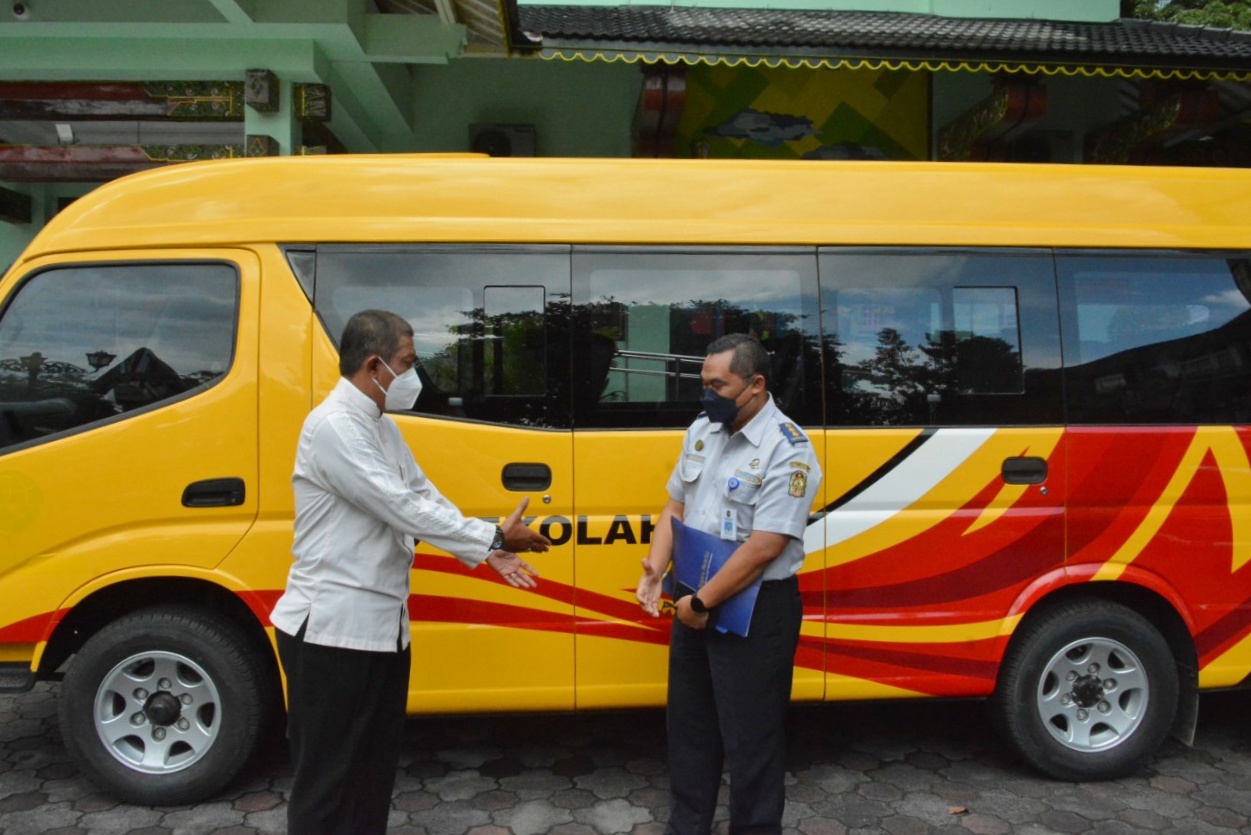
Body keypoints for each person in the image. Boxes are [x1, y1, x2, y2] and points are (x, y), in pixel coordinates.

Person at [270, 309, 550, 835]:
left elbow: (423, 496)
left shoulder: (383, 428)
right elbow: (395, 503)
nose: (414, 376)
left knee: (371, 775)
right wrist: (491, 537)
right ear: (375, 366)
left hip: (382, 629)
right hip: (332, 634)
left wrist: (487, 545)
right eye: (408, 363)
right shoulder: (332, 427)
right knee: (328, 782)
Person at [636, 333, 822, 835]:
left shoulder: (789, 450)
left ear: (756, 385)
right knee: (690, 731)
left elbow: (766, 545)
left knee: (752, 740)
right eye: (704, 383)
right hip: (693, 600)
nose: (707, 395)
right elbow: (675, 505)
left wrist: (703, 601)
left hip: (755, 608)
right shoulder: (701, 431)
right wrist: (656, 568)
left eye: (719, 385)